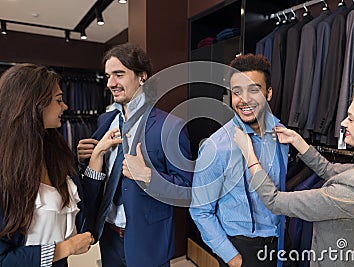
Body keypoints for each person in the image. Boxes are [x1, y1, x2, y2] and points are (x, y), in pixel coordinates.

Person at [234, 84, 354, 266]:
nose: (343, 123)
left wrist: (249, 153)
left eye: (351, 119)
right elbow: (329, 170)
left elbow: (275, 201)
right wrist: (297, 140)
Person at [77, 43, 193, 267]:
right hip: (108, 236)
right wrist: (89, 160)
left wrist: (149, 177)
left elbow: (186, 193)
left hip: (149, 242)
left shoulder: (170, 127)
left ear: (142, 77)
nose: (111, 83)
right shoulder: (105, 122)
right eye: (108, 76)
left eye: (119, 74)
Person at [190, 54, 289, 267]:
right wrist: (232, 258)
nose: (244, 99)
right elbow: (200, 210)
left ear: (268, 93)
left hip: (281, 244)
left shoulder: (284, 137)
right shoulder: (216, 147)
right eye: (237, 92)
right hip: (242, 250)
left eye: (254, 90)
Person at [0, 63, 94, 267]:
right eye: (59, 100)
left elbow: (82, 206)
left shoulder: (57, 152)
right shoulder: (5, 171)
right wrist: (65, 248)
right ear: (35, 103)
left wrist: (95, 162)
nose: (66, 106)